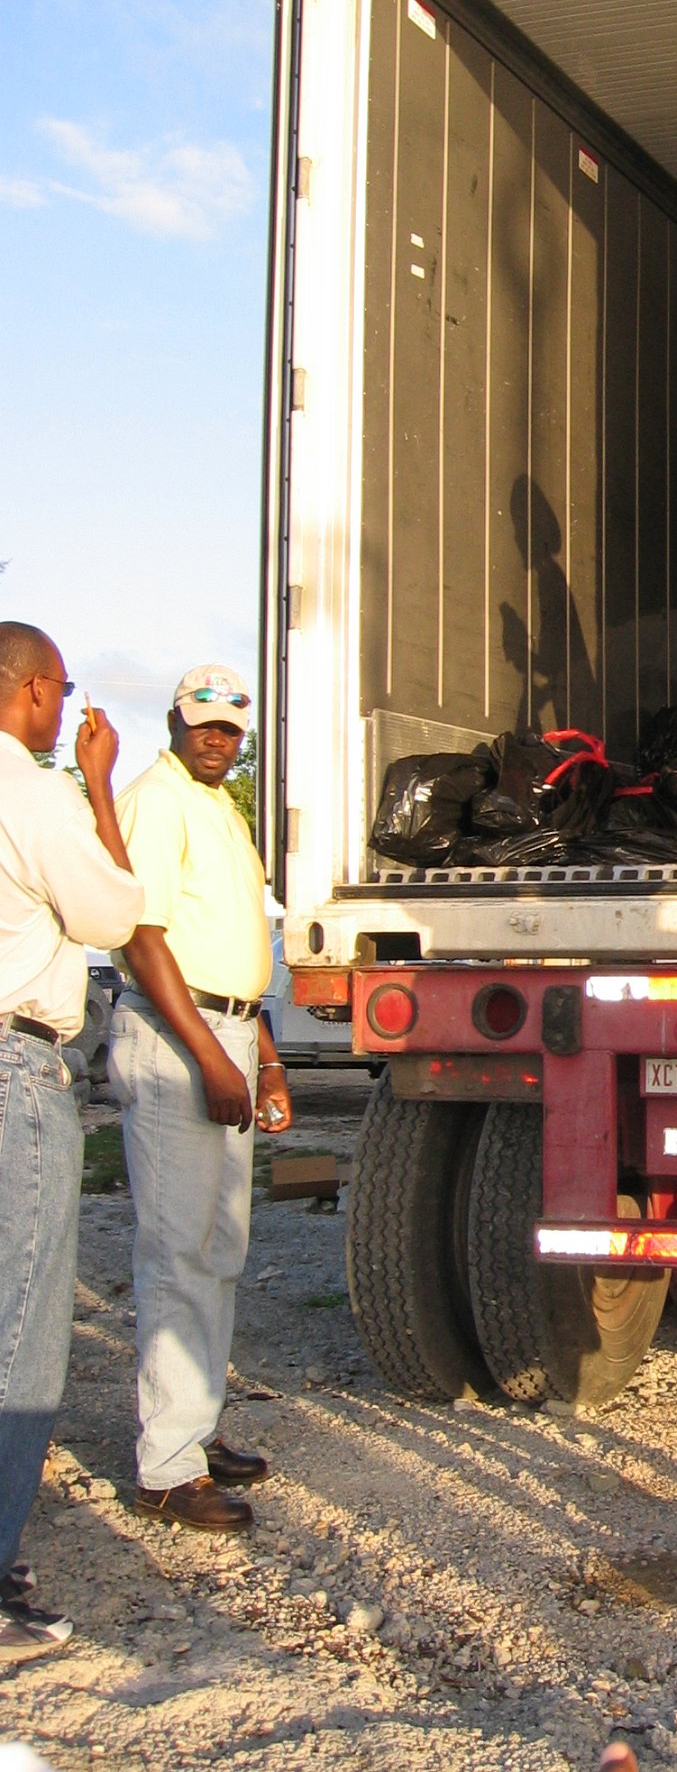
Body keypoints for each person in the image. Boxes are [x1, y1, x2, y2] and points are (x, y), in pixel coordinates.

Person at [109, 665, 293, 1533]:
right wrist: (211, 1062)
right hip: (176, 1038)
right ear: (176, 723)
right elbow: (144, 939)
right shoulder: (156, 799)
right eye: (202, 725)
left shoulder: (222, 807)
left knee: (220, 1250)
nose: (216, 738)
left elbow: (231, 950)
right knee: (179, 1251)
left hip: (226, 1033)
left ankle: (194, 1425)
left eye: (229, 727)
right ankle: (165, 1467)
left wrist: (264, 1060)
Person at [0, 622, 143, 1662]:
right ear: (37, 688)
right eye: (62, 692)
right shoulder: (30, 788)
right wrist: (96, 783)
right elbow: (109, 911)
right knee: (19, 1325)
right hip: (13, 1068)